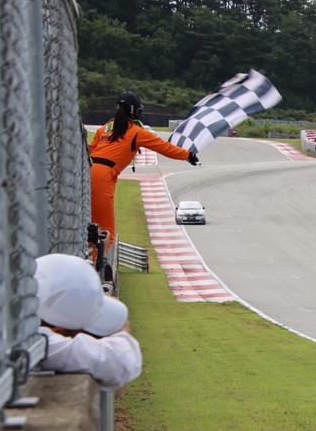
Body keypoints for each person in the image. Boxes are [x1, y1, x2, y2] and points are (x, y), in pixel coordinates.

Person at [90, 91, 199, 246]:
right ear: (135, 112)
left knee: (90, 227)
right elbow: (165, 148)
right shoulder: (137, 132)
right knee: (106, 232)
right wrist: (188, 155)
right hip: (103, 176)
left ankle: (87, 257)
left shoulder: (105, 128)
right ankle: (94, 267)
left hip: (87, 170)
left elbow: (90, 149)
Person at [34, 253, 142, 391]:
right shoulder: (37, 342)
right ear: (58, 330)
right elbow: (123, 362)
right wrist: (122, 331)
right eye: (88, 333)